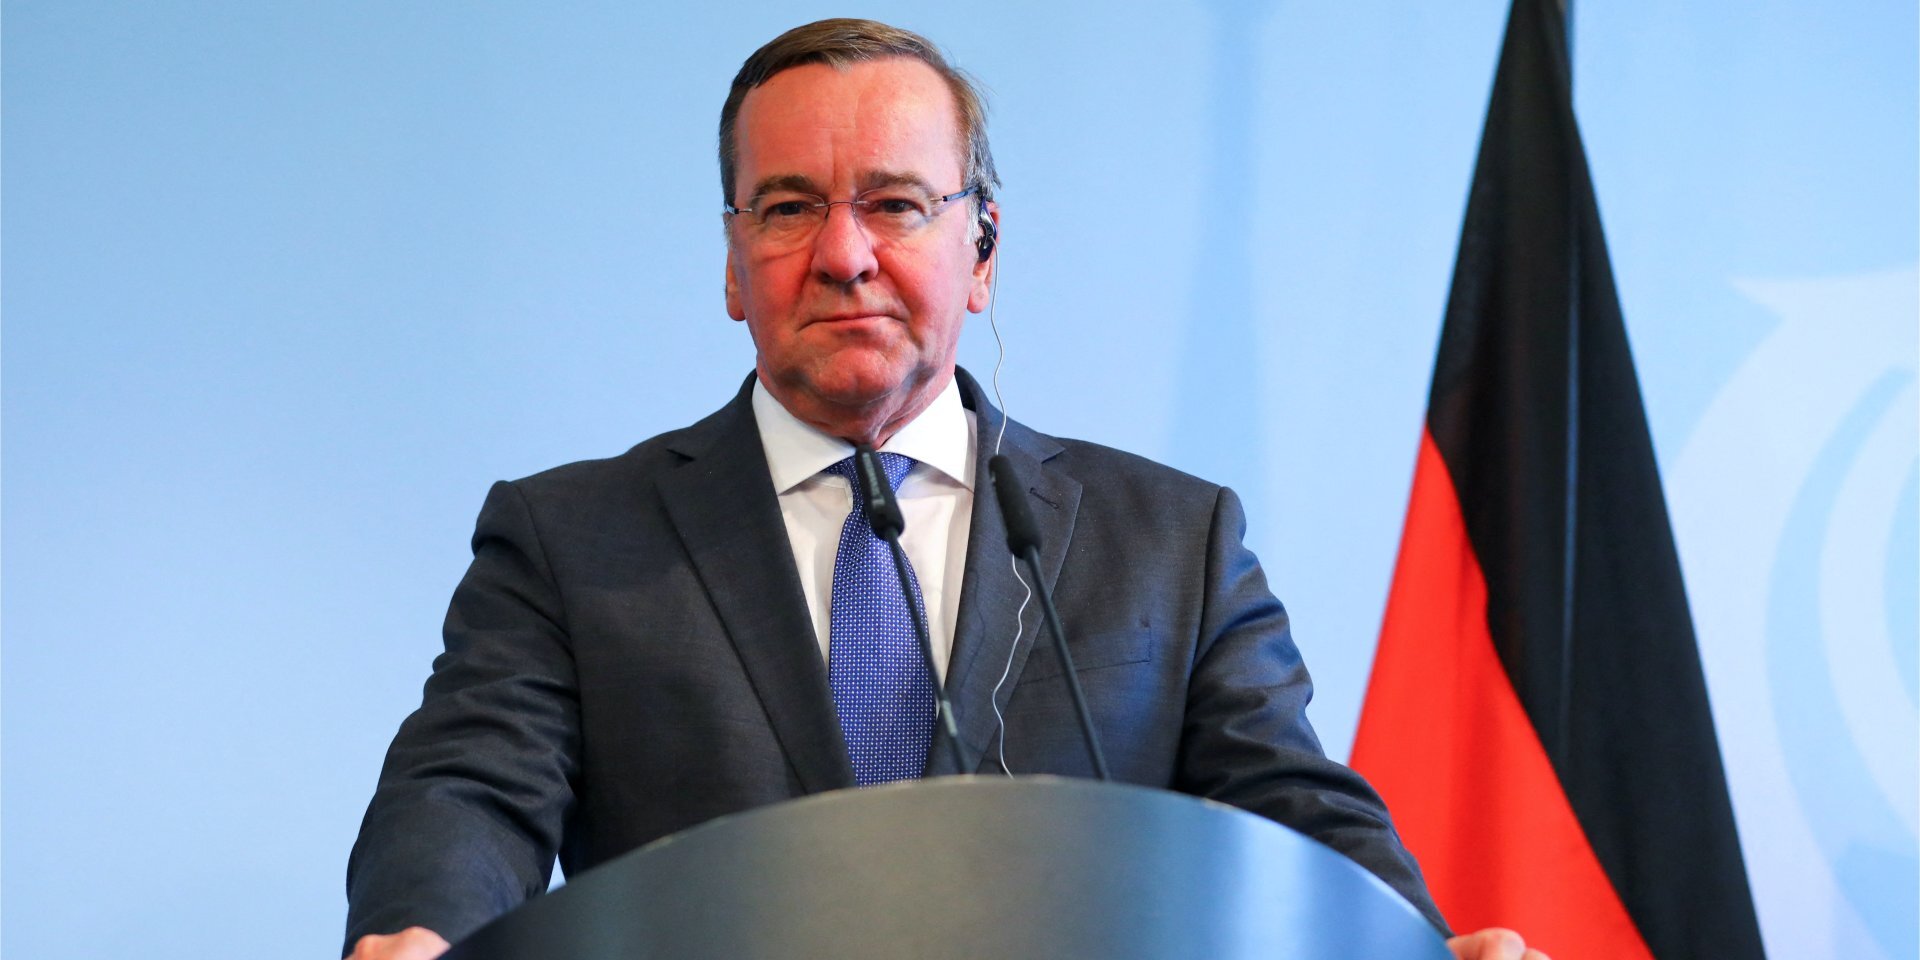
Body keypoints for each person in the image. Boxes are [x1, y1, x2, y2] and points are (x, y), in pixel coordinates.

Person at [345, 19, 1548, 960]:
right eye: (787, 208)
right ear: (733, 265)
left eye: (896, 204)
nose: (843, 254)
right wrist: (420, 930)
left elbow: (1287, 811)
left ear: (982, 252)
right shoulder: (573, 539)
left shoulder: (1170, 542)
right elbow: (471, 787)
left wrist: (1417, 946)